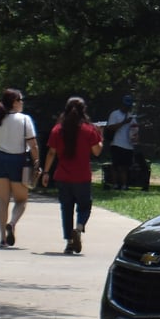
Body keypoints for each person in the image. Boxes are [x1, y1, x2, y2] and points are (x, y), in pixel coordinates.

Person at [41, 97, 103, 254]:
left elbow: (51, 152)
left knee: (66, 209)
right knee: (84, 206)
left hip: (63, 176)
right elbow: (97, 151)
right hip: (82, 176)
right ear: (84, 111)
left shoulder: (57, 130)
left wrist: (46, 172)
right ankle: (79, 227)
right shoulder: (89, 129)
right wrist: (100, 137)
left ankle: (69, 242)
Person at [0, 88, 40, 248]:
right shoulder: (24, 120)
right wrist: (37, 162)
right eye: (21, 100)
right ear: (14, 102)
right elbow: (33, 144)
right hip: (19, 160)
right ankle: (13, 223)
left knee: (2, 201)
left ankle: (2, 238)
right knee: (21, 199)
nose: (22, 103)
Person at [104, 94, 138, 191]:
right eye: (126, 104)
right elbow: (110, 127)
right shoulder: (115, 114)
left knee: (125, 167)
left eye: (129, 105)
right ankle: (115, 185)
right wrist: (124, 122)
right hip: (117, 143)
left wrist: (135, 136)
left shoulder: (131, 116)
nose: (127, 107)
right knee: (116, 166)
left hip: (128, 145)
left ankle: (124, 185)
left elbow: (134, 129)